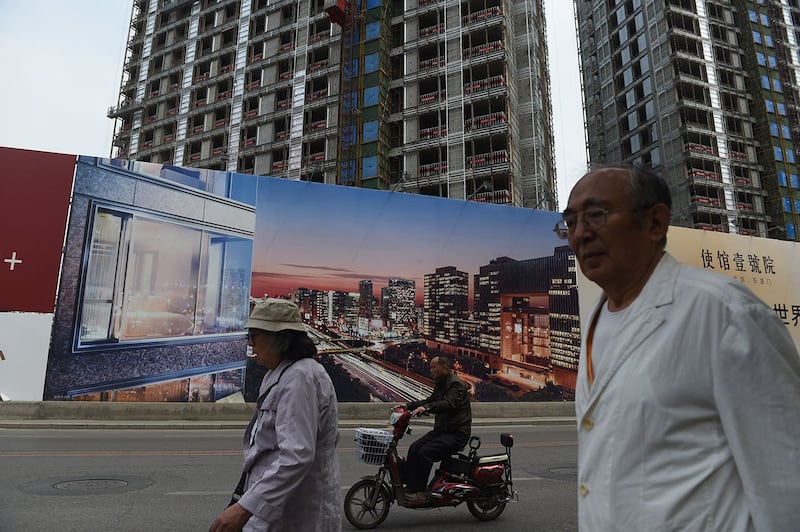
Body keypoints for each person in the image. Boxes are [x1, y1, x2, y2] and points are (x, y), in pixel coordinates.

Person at [556, 164, 800, 531]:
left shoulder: (723, 314)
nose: (580, 234)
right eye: (570, 222)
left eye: (596, 215)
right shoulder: (596, 319)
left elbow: (786, 478)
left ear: (655, 223)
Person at [209, 298, 341, 532]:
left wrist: (244, 509)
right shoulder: (280, 374)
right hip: (278, 511)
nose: (250, 343)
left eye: (254, 335)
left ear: (278, 338)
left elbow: (297, 455)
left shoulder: (300, 378)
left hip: (298, 514)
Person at [403, 355, 472, 502]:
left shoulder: (456, 385)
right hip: (442, 430)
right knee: (414, 448)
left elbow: (448, 403)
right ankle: (411, 487)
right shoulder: (441, 383)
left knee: (425, 453)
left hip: (456, 434)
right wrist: (409, 406)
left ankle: (420, 492)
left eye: (434, 367)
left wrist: (427, 408)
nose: (431, 370)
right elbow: (431, 400)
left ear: (445, 368)